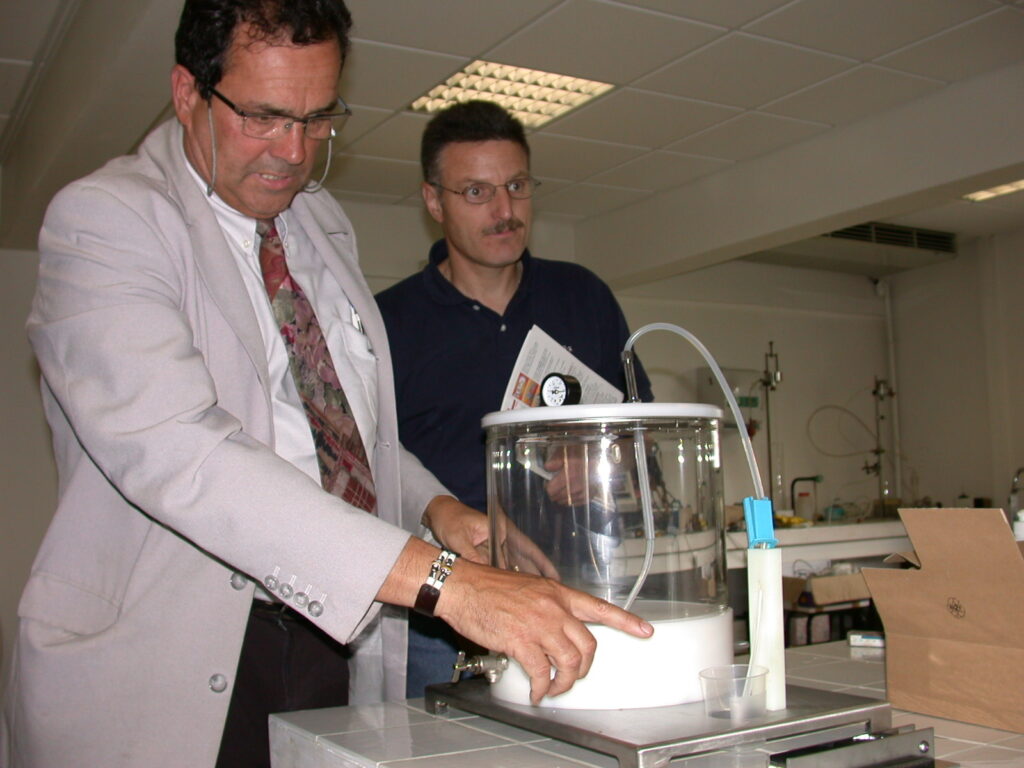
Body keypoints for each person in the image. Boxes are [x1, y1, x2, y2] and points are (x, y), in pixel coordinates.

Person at [0, 4, 653, 767]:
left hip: (328, 628)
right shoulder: (107, 221)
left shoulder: (316, 222)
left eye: (317, 120)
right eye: (265, 116)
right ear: (187, 92)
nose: (294, 152)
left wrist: (436, 510)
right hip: (166, 648)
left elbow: (347, 436)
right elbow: (184, 453)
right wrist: (449, 584)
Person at [375, 100, 654, 697]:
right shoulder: (387, 323)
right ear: (433, 201)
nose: (505, 211)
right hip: (445, 623)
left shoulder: (584, 296)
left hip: (578, 598)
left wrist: (603, 454)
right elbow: (370, 464)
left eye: (517, 186)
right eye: (477, 192)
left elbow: (643, 430)